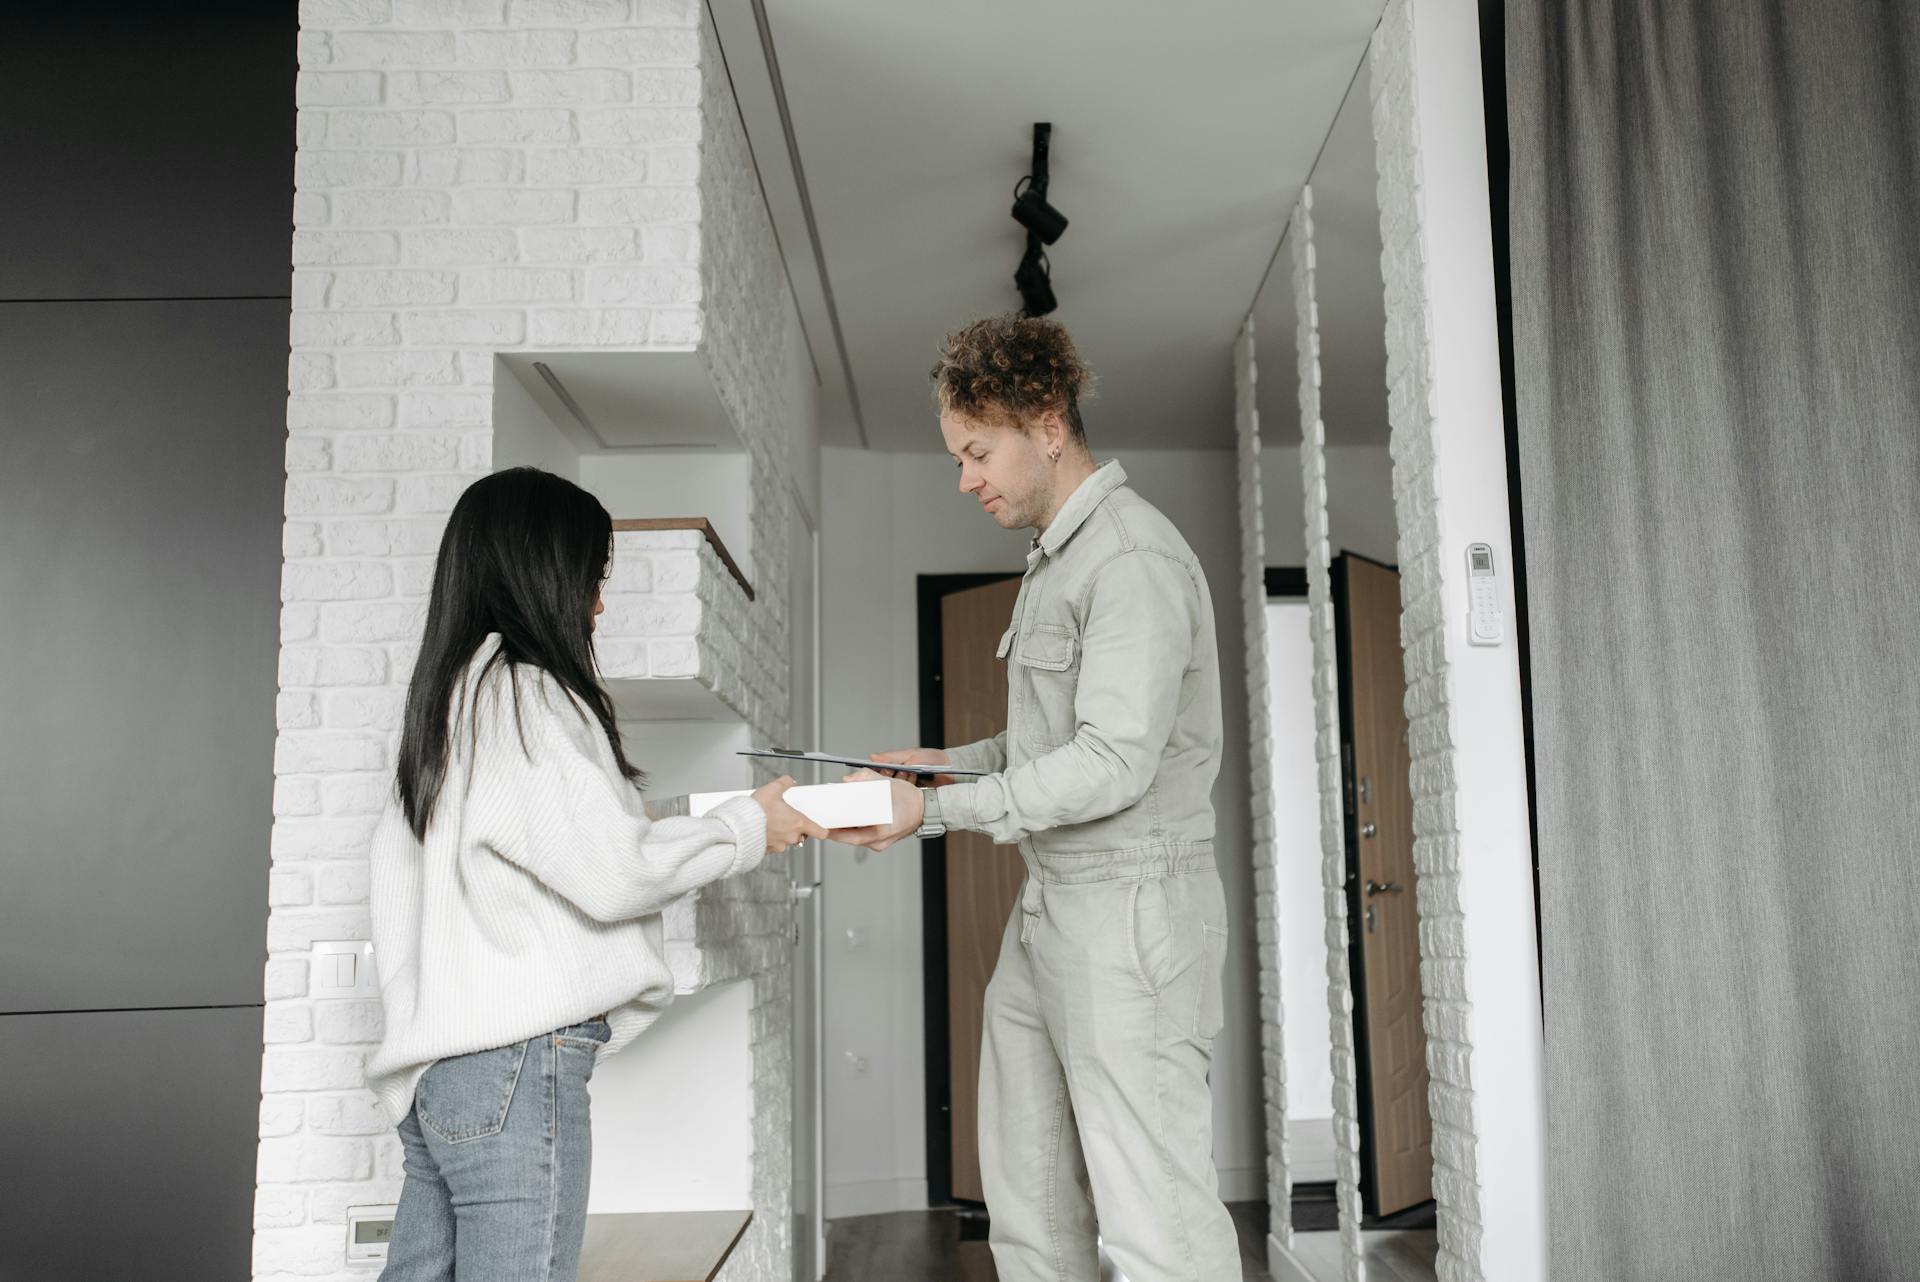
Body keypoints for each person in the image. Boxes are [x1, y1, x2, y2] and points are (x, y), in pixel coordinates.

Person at [832, 315, 1241, 1282]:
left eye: (977, 452)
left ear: (1046, 424)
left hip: (1131, 907)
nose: (967, 478)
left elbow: (1109, 766)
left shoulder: (1132, 560)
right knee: (1027, 1197)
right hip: (1052, 903)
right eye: (958, 456)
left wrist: (930, 813)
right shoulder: (1058, 560)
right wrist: (941, 766)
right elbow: (1044, 748)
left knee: (1157, 1224)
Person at [363, 467, 824, 1281]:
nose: (598, 602)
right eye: (593, 577)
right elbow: (613, 873)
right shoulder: (528, 695)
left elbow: (555, 842)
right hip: (510, 1067)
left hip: (440, 1073)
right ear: (542, 571)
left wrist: (693, 819)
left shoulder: (449, 702)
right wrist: (747, 826)